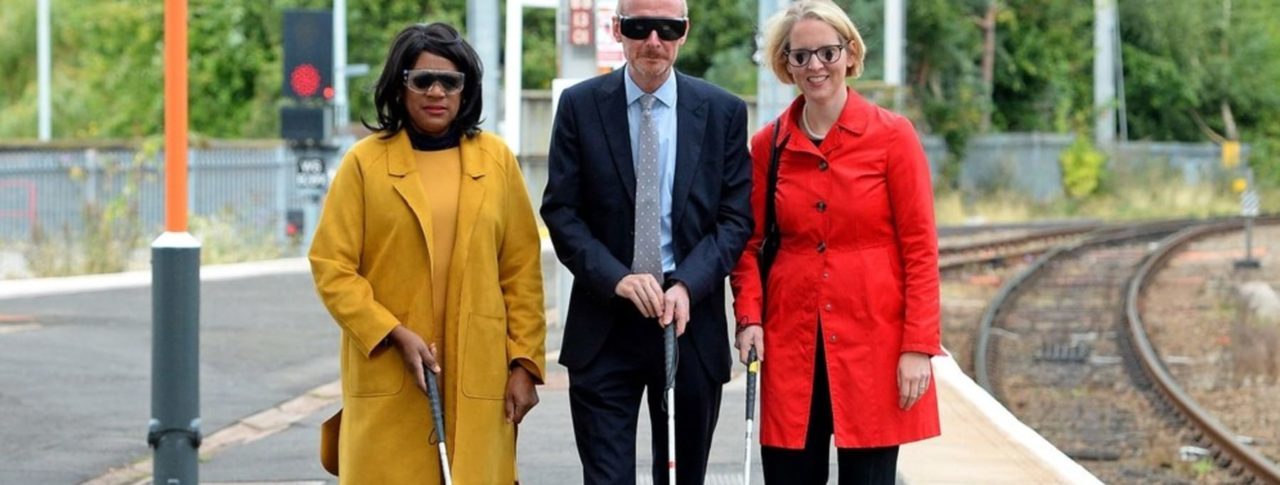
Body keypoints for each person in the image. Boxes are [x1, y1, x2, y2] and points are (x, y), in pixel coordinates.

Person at [309, 22, 545, 484]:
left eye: (450, 82)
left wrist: (525, 364)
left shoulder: (496, 161)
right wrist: (391, 331)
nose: (437, 91)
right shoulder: (363, 164)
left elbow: (521, 271)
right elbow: (331, 266)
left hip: (480, 376)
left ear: (466, 90)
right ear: (400, 87)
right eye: (422, 80)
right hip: (389, 374)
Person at [540, 0, 753, 482]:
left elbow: (735, 219)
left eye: (667, 27)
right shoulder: (579, 106)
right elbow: (561, 211)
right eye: (639, 27)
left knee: (681, 477)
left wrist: (689, 286)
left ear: (685, 32)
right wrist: (617, 279)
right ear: (618, 30)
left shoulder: (723, 112)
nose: (653, 41)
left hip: (688, 323)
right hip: (604, 322)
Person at [729, 1, 942, 484]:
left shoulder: (893, 136)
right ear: (786, 64)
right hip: (790, 344)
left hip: (874, 343)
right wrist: (749, 317)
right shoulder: (769, 145)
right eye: (800, 56)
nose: (815, 66)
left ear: (850, 54)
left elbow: (920, 250)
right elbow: (748, 245)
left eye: (827, 52)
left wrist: (918, 347)